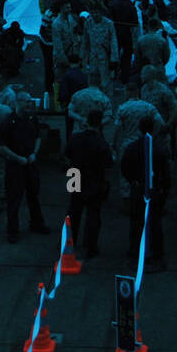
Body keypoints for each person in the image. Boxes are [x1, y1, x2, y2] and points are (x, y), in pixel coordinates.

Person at [0, 100, 48, 243]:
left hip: (29, 164)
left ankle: (36, 223)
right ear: (18, 105)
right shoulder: (7, 122)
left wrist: (34, 153)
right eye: (26, 107)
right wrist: (18, 158)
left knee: (34, 196)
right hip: (15, 166)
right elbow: (1, 146)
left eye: (30, 108)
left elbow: (38, 136)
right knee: (14, 199)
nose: (29, 110)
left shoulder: (32, 118)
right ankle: (12, 231)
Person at [121, 120, 170, 270]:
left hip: (138, 189)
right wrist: (164, 190)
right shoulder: (159, 149)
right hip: (154, 189)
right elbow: (166, 173)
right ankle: (156, 253)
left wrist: (134, 181)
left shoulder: (131, 148)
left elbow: (124, 168)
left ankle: (135, 252)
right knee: (154, 222)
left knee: (136, 222)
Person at [66, 108, 113, 258]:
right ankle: (90, 247)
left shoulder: (75, 138)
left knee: (73, 212)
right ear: (100, 124)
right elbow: (109, 163)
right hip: (94, 180)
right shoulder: (101, 143)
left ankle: (69, 241)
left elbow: (67, 153)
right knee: (93, 214)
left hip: (75, 177)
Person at [81, 10, 117, 89]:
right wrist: (82, 58)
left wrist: (114, 59)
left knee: (106, 83)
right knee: (93, 82)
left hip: (105, 58)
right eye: (93, 12)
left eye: (97, 12)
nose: (95, 15)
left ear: (101, 12)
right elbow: (85, 42)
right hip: (93, 58)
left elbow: (113, 42)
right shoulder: (88, 23)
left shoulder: (109, 24)